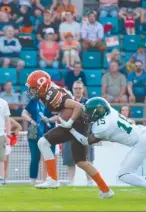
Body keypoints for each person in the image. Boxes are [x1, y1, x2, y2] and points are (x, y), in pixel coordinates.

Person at [68, 97, 146, 200]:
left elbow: (86, 141)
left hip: (142, 142)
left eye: (89, 113)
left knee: (123, 174)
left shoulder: (102, 127)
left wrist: (71, 129)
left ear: (98, 112)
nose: (87, 116)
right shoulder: (110, 111)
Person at [25, 70, 114, 199]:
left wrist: (69, 122)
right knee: (82, 162)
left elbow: (79, 106)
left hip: (76, 123)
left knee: (43, 142)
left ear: (42, 87)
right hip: (79, 124)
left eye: (33, 88)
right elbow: (66, 102)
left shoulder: (51, 95)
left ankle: (53, 179)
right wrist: (63, 118)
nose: (31, 91)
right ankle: (105, 190)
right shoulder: (49, 92)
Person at [62, 80, 95, 185]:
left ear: (83, 89)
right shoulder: (67, 102)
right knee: (69, 159)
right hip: (70, 134)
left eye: (79, 88)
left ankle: (89, 181)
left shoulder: (89, 103)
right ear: (72, 89)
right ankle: (70, 181)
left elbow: (93, 119)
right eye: (75, 88)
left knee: (87, 160)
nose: (77, 91)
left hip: (85, 134)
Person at [22, 96, 56, 184]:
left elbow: (58, 116)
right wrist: (31, 120)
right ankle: (32, 180)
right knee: (35, 157)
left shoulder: (52, 100)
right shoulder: (33, 101)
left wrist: (48, 119)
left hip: (50, 132)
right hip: (34, 132)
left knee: (50, 156)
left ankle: (51, 178)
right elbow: (24, 113)